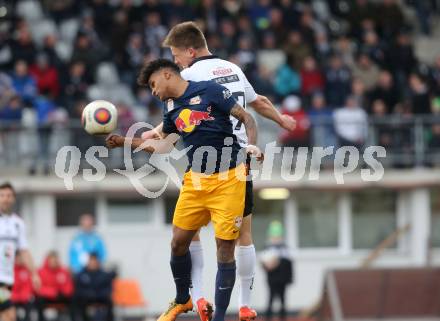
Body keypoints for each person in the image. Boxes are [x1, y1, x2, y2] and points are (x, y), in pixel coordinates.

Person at [141, 21, 296, 321]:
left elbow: (180, 112)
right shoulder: (233, 68)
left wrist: (154, 133)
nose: (174, 63)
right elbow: (258, 102)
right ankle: (245, 303)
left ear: (189, 51)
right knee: (243, 235)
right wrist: (281, 120)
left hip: (210, 159)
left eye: (175, 56)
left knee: (189, 234)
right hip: (241, 159)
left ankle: (197, 296)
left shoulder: (189, 75)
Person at [106, 58, 261, 321]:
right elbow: (163, 146)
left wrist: (252, 146)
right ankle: (183, 298)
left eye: (154, 85)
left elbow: (247, 118)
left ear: (167, 75)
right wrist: (123, 141)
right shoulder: (171, 109)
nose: (153, 91)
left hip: (230, 177)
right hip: (196, 180)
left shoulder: (210, 90)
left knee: (225, 248)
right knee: (178, 242)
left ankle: (220, 317)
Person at [0, 182, 40, 321]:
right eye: (2, 195)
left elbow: (24, 251)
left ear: (13, 199)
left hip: (5, 279)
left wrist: (34, 274)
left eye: (9, 195)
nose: (5, 198)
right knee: (9, 314)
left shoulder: (18, 223)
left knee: (8, 315)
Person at [260, 221, 293, 321]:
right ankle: (268, 318)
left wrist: (290, 278)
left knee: (283, 300)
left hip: (282, 279)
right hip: (272, 279)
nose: (276, 239)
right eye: (274, 237)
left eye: (278, 237)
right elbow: (263, 264)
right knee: (270, 299)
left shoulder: (285, 249)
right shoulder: (267, 248)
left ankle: (283, 318)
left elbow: (289, 265)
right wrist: (267, 266)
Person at [74, 254, 115, 321]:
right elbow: (78, 289)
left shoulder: (104, 275)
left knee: (109, 302)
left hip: (101, 297)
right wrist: (89, 294)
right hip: (86, 298)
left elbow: (108, 289)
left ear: (98, 262)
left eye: (94, 261)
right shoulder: (81, 274)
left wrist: (98, 295)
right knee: (77, 301)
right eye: (91, 261)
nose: (92, 264)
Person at [35, 251, 74, 321]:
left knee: (74, 299)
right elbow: (38, 288)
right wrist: (53, 292)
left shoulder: (63, 271)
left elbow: (69, 286)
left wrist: (64, 292)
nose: (54, 262)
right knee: (38, 300)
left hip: (61, 297)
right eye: (52, 260)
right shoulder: (41, 271)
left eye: (55, 260)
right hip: (47, 298)